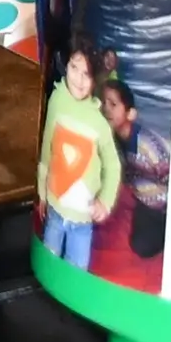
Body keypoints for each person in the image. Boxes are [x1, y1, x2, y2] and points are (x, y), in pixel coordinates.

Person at [40, 50, 123, 270]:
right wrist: (41, 193)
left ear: (94, 79)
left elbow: (113, 165)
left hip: (82, 220)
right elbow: (47, 147)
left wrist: (105, 201)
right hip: (55, 211)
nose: (77, 78)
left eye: (85, 74)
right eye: (73, 68)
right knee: (48, 265)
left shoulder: (99, 122)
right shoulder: (57, 98)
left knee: (75, 274)